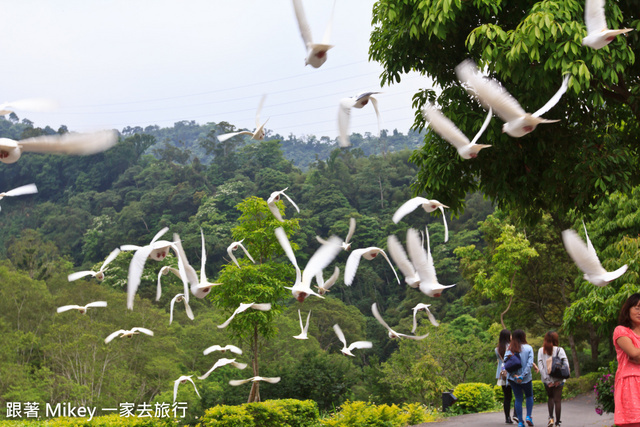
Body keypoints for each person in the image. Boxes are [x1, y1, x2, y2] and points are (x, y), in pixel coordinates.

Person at [613, 293, 640, 426]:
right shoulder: (621, 331)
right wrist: (635, 355)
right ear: (628, 309)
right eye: (637, 308)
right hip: (631, 386)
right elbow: (634, 354)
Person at [537, 331, 570, 427]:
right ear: (556, 339)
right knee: (557, 400)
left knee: (550, 397)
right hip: (559, 380)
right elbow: (566, 365)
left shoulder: (541, 350)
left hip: (547, 381)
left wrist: (548, 380)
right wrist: (558, 381)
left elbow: (541, 366)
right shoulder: (560, 350)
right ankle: (558, 422)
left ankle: (551, 418)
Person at [504, 329, 534, 427]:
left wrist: (515, 376)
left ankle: (520, 422)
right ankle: (529, 416)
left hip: (514, 379)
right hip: (526, 379)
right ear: (524, 337)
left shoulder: (509, 349)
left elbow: (506, 364)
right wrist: (523, 375)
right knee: (529, 396)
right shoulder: (529, 348)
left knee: (518, 399)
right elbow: (530, 364)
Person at [496, 329, 516, 424]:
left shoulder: (497, 349)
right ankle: (516, 415)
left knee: (507, 397)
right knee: (517, 395)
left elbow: (499, 361)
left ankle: (507, 417)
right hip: (511, 372)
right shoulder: (511, 347)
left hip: (502, 373)